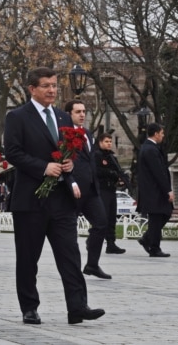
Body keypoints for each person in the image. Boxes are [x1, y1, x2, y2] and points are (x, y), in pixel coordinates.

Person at [3, 67, 105, 326]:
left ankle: (77, 306)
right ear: (32, 89)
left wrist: (68, 165)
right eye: (46, 85)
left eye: (54, 85)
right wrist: (42, 167)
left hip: (61, 199)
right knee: (28, 258)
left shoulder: (62, 116)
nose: (51, 90)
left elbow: (69, 151)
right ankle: (29, 307)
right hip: (30, 200)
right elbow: (12, 152)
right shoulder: (17, 117)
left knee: (70, 255)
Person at [64, 100, 111, 280]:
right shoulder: (65, 134)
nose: (82, 114)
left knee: (101, 222)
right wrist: (72, 182)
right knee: (69, 230)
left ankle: (92, 264)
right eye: (78, 112)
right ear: (69, 114)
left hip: (91, 188)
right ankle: (71, 267)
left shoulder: (87, 133)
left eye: (84, 111)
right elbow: (64, 160)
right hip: (73, 188)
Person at [137, 123, 174, 257]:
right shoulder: (150, 150)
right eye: (162, 133)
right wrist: (168, 190)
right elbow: (158, 172)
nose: (163, 136)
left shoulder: (148, 148)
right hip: (154, 191)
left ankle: (147, 239)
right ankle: (154, 247)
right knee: (158, 217)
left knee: (163, 215)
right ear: (156, 133)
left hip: (153, 191)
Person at [94, 133, 127, 254]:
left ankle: (111, 243)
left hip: (111, 190)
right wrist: (111, 173)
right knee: (103, 218)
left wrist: (121, 179)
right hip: (102, 190)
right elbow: (97, 171)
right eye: (106, 141)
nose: (109, 143)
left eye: (110, 141)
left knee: (112, 218)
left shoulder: (112, 156)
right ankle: (94, 242)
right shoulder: (97, 155)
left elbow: (118, 171)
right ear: (100, 142)